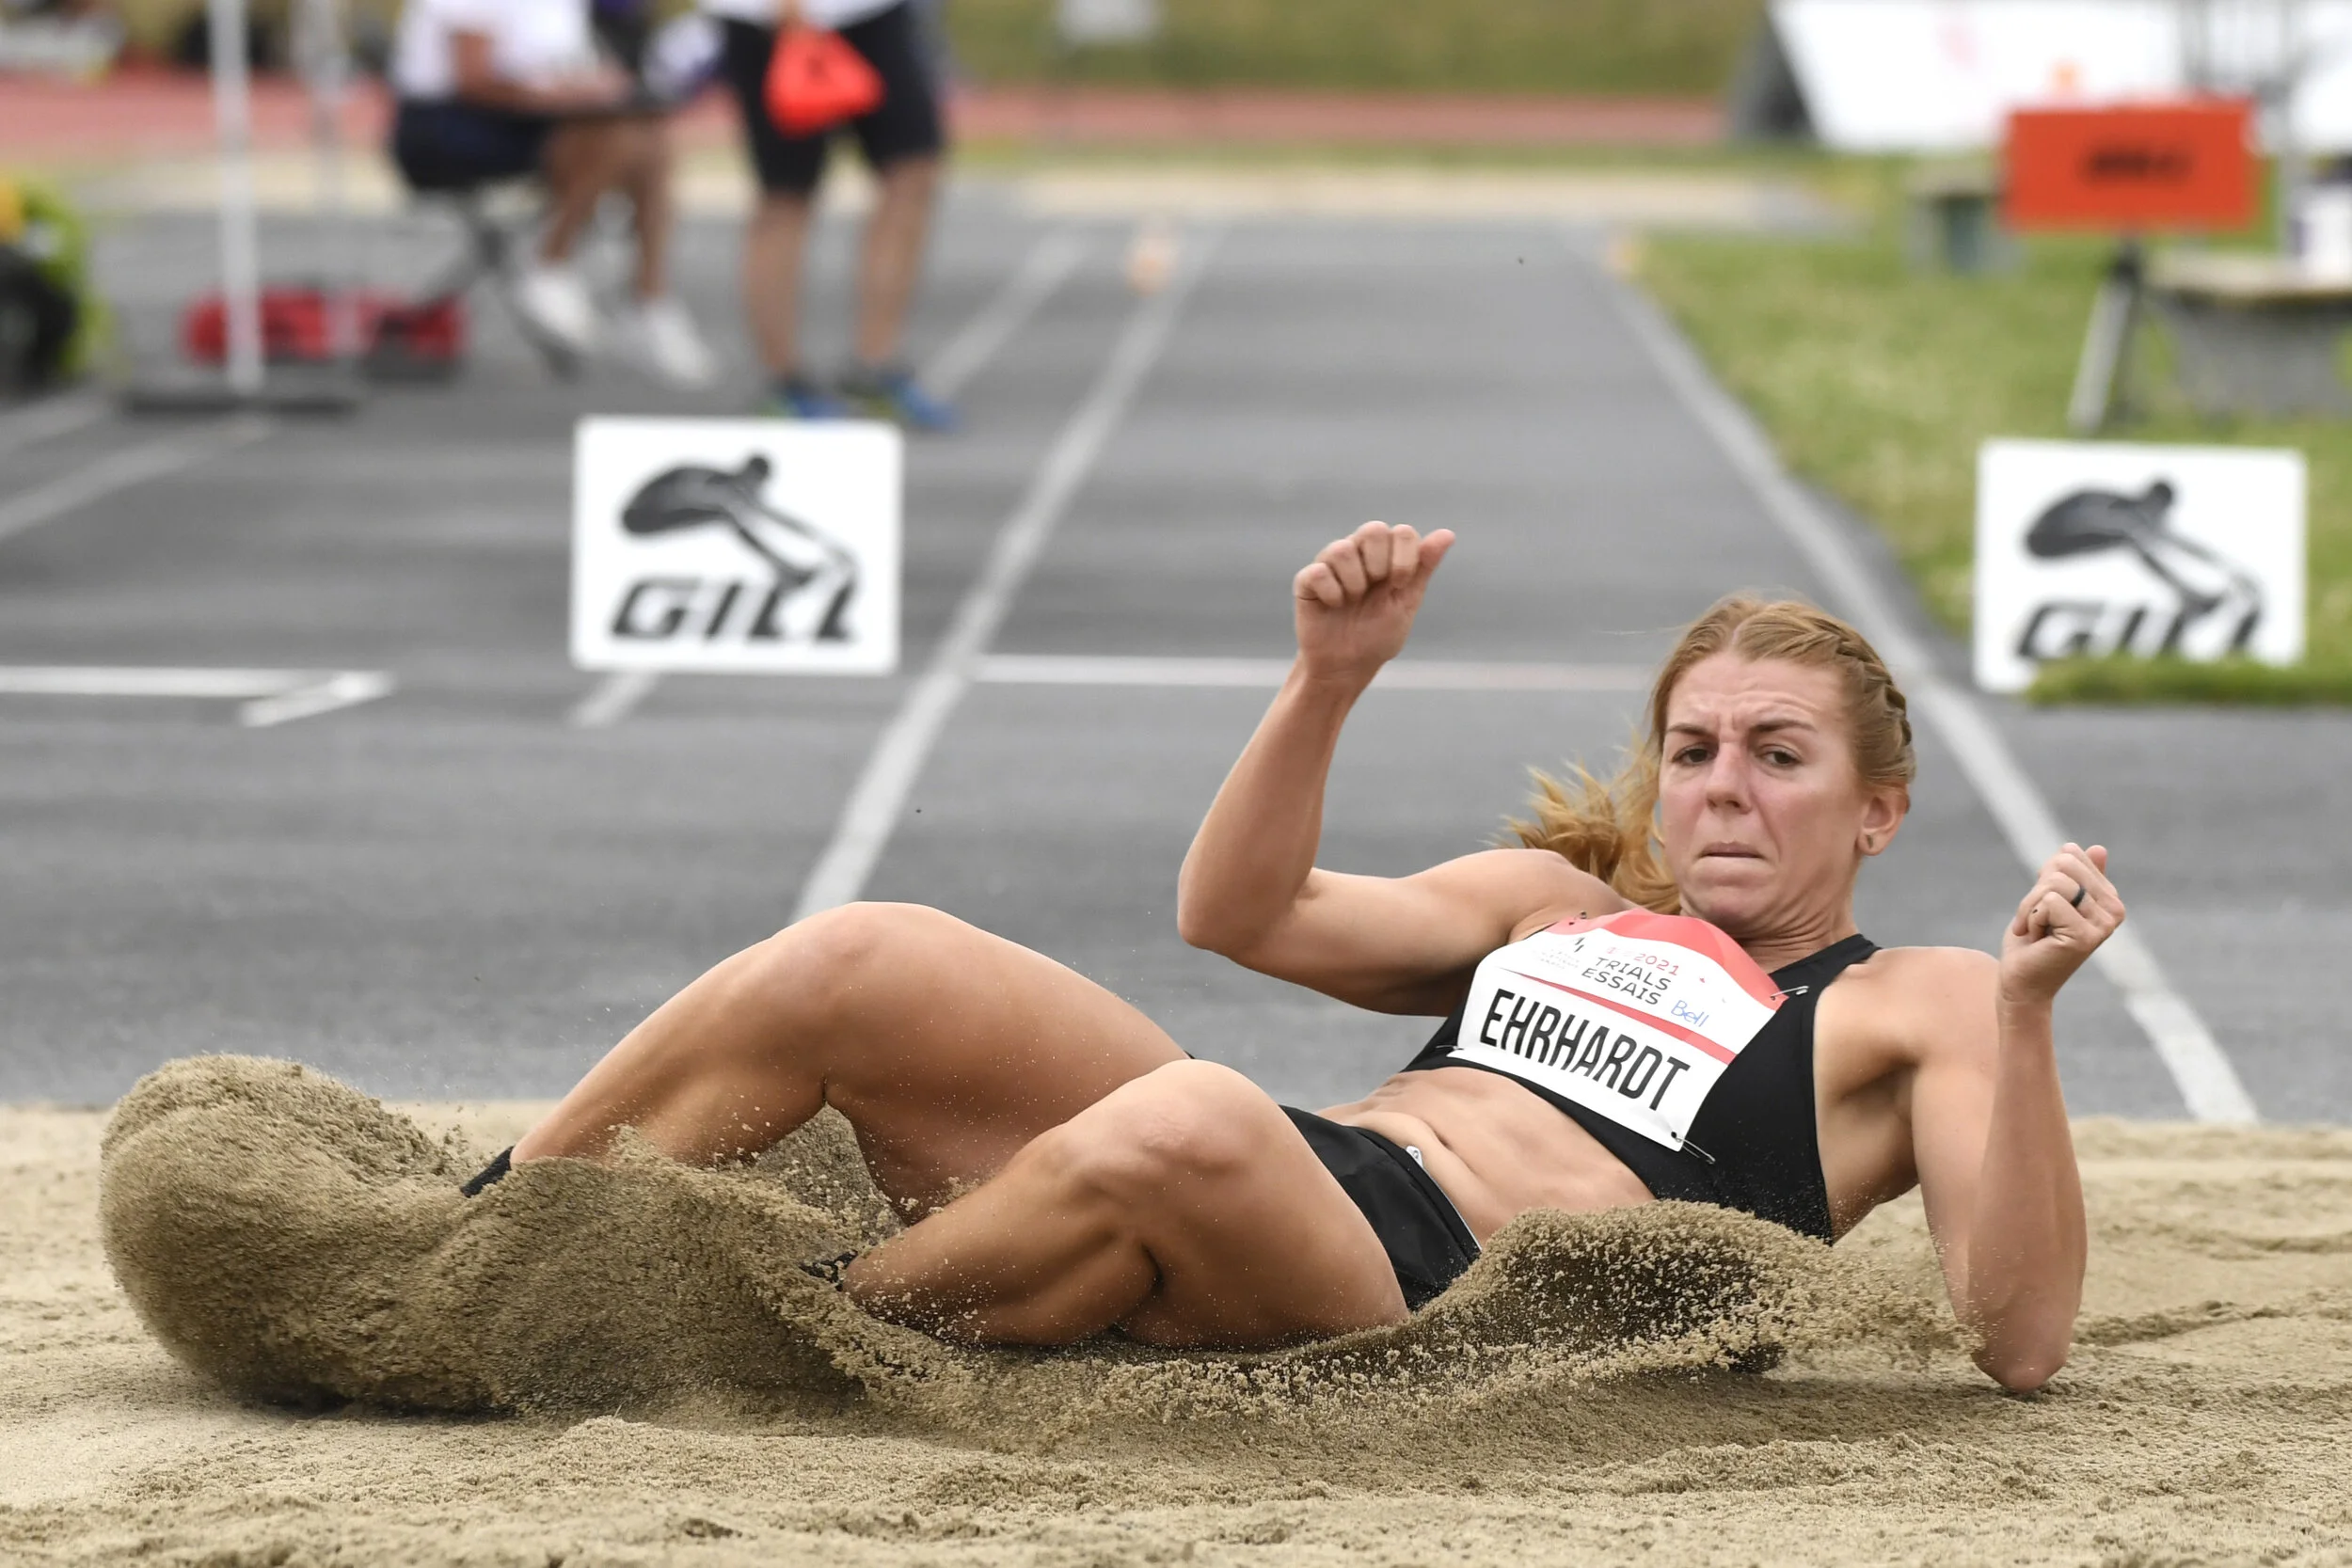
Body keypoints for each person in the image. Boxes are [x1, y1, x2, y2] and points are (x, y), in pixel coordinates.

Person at [475, 522, 2111, 1391]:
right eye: (1692, 751)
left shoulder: (1925, 1003)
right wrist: (1325, 682)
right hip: (1314, 1182)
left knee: (1191, 1118)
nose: (1723, 789)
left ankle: (750, 1327)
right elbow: (1241, 916)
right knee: (864, 952)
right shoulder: (1556, 901)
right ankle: (482, 1255)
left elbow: (2019, 1339)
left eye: (1778, 755)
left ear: (1880, 811)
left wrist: (2028, 1019)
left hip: (1444, 1307)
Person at [388, 0, 717, 385]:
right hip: (446, 128)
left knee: (649, 138)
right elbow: (473, 80)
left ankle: (647, 298)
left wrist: (593, 85)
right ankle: (551, 262)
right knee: (612, 135)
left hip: (531, 121)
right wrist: (566, 96)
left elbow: (558, 65)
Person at [699, 0, 954, 427]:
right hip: (774, 16)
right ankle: (782, 382)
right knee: (786, 193)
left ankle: (875, 368)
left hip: (869, 11)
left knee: (913, 170)